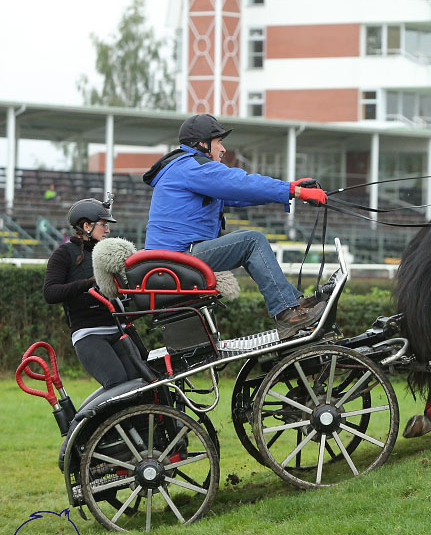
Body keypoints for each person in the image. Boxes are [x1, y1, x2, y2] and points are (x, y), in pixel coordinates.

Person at [143, 114, 328, 339]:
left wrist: (289, 189)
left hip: (176, 257)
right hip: (179, 259)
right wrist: (294, 191)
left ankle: (293, 303)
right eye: (218, 142)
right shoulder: (193, 167)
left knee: (249, 240)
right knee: (251, 241)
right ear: (202, 144)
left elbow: (239, 195)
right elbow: (241, 183)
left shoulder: (186, 167)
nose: (223, 149)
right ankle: (287, 311)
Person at [43, 199, 140, 389]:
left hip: (120, 330)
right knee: (117, 382)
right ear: (86, 226)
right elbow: (50, 293)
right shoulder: (64, 254)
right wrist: (88, 283)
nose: (108, 230)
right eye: (103, 225)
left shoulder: (109, 253)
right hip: (89, 335)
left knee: (141, 382)